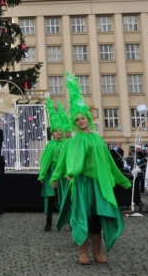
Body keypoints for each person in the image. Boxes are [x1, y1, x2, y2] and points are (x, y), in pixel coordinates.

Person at [51, 73, 131, 265]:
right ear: (74, 122)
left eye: (83, 118)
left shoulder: (97, 139)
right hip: (82, 183)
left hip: (98, 183)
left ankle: (97, 251)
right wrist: (61, 175)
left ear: (88, 118)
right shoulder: (74, 140)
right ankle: (82, 252)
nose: (80, 121)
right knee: (83, 215)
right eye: (77, 119)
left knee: (97, 216)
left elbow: (108, 162)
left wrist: (121, 180)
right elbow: (68, 160)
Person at [38, 99, 69, 232]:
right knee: (50, 197)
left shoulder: (67, 144)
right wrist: (42, 174)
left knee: (66, 198)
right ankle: (48, 222)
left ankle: (69, 221)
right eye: (55, 131)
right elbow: (45, 160)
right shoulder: (50, 145)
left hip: (64, 174)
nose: (58, 133)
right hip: (51, 173)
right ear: (52, 133)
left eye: (60, 131)